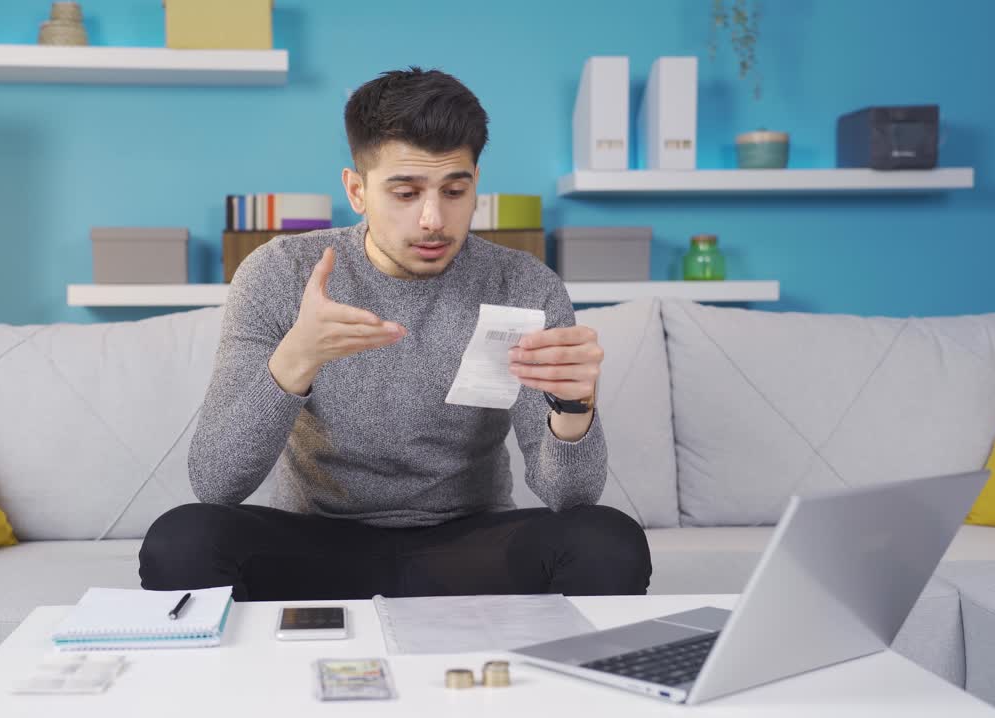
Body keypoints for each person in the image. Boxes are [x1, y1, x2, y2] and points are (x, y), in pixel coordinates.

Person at [139, 67, 651, 601]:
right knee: (181, 539)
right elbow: (217, 484)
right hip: (318, 545)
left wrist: (573, 408)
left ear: (477, 183)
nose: (433, 219)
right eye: (405, 193)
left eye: (455, 191)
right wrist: (296, 360)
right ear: (357, 190)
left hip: (467, 547)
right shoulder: (279, 273)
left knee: (608, 539)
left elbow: (571, 496)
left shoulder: (522, 285)